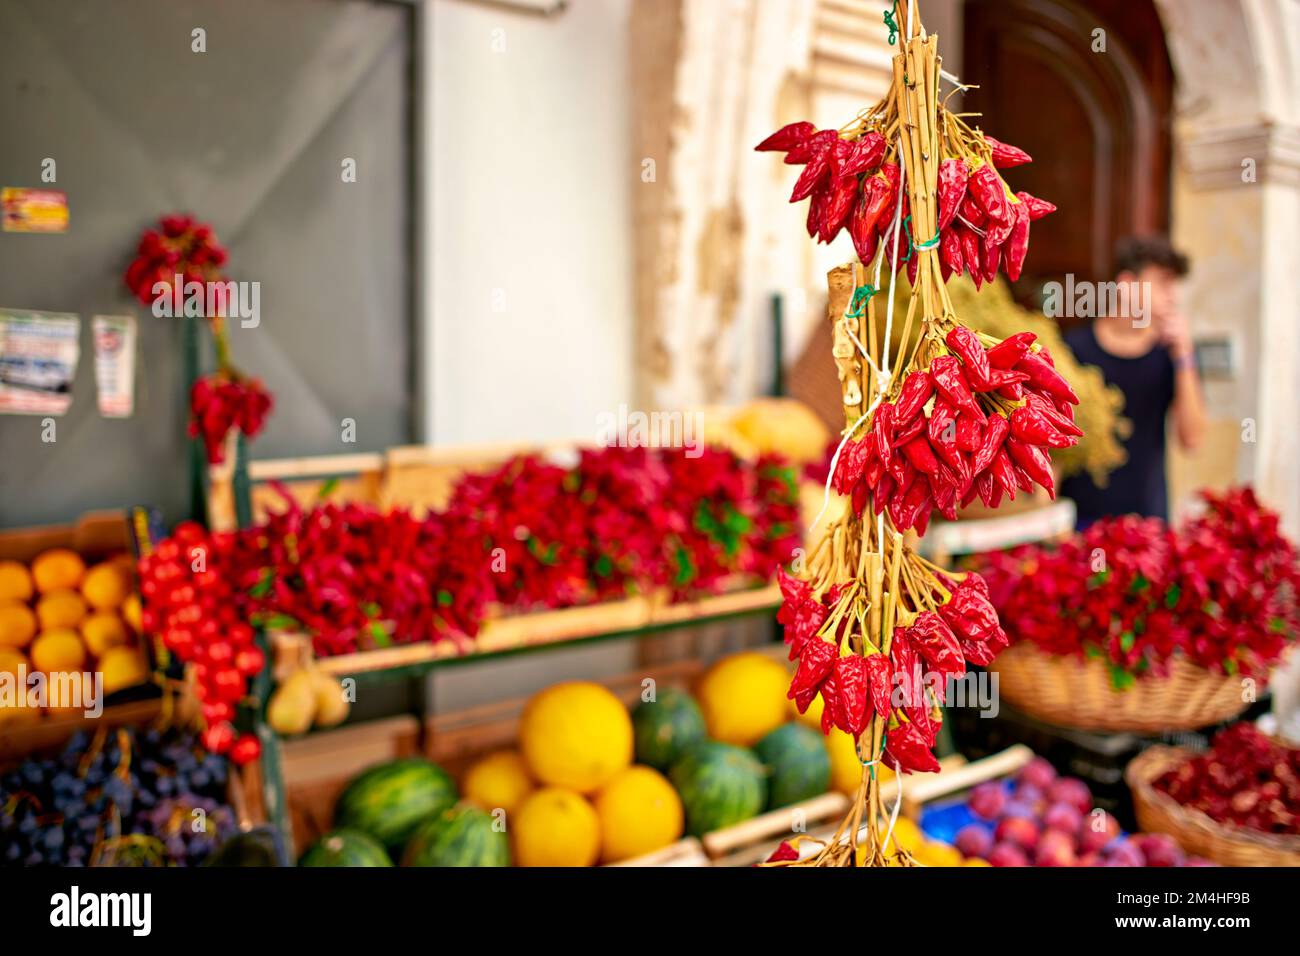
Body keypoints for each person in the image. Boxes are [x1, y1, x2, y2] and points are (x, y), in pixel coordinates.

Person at [1060, 236, 1207, 528]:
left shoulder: (1174, 356)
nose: (1173, 297)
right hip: (1078, 522)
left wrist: (1184, 358)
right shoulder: (1072, 349)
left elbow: (1193, 439)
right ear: (1127, 285)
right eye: (1163, 284)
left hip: (1148, 524)